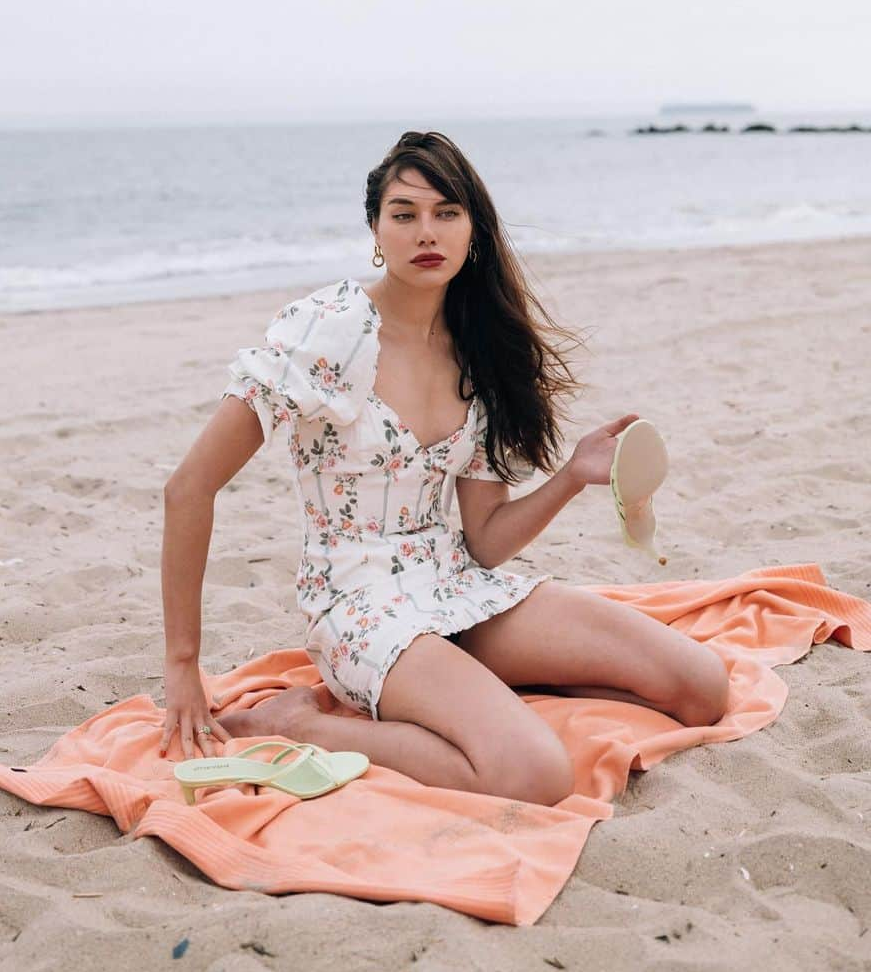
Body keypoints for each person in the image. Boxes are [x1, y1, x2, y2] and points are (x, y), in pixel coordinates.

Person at [161, 131, 729, 806]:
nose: (425, 232)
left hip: (456, 587)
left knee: (702, 688)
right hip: (358, 607)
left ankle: (471, 691)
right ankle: (301, 722)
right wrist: (183, 666)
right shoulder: (327, 332)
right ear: (376, 231)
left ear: (473, 231)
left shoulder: (482, 351)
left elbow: (485, 539)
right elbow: (189, 487)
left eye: (446, 212)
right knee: (533, 775)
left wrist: (574, 474)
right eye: (403, 214)